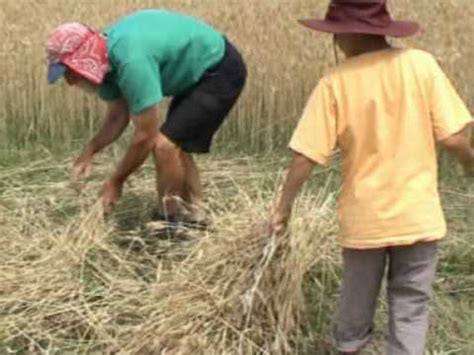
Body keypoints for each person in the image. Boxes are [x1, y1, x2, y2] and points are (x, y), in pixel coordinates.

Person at [267, 0, 473, 354]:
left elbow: (305, 157)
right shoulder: (420, 65)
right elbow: (454, 138)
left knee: (355, 306)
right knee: (411, 305)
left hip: (366, 220)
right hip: (417, 216)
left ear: (348, 35)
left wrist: (282, 208)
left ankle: (349, 347)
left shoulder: (335, 82)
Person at [46, 9, 247, 225]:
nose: (69, 81)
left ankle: (170, 219)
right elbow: (117, 117)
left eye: (69, 72)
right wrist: (89, 151)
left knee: (165, 145)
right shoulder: (107, 63)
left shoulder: (131, 60)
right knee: (175, 143)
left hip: (219, 68)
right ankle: (197, 215)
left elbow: (145, 137)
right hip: (195, 74)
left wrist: (116, 182)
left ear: (84, 59)